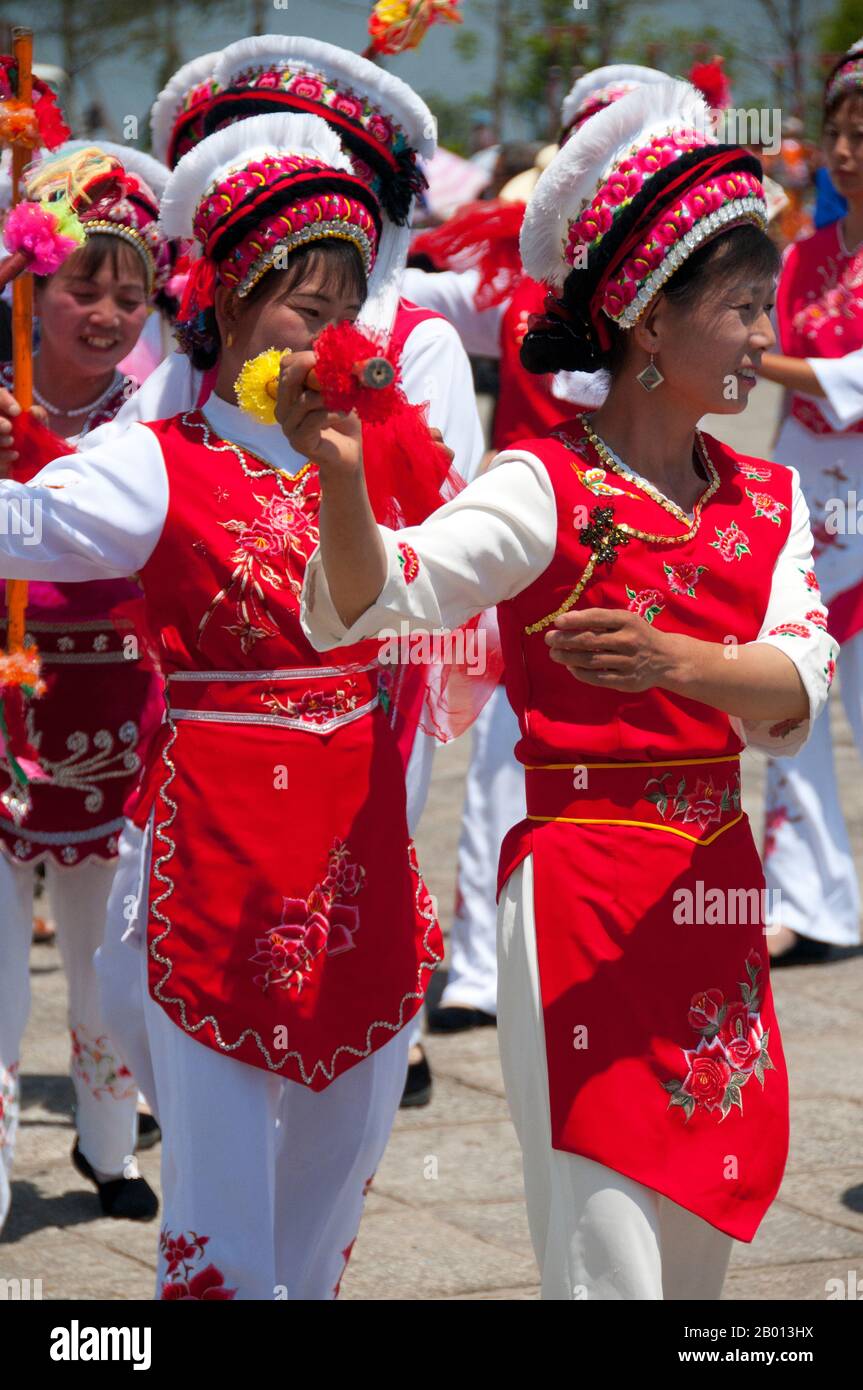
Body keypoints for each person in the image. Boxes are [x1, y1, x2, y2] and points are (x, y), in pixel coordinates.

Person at [299, 78, 837, 1300]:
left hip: (709, 873)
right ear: (651, 323)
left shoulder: (767, 502)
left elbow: (793, 688)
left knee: (703, 1205)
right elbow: (388, 592)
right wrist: (340, 479)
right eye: (741, 310)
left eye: (763, 307)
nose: (762, 336)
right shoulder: (545, 485)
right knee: (604, 1238)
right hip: (581, 882)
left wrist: (673, 665)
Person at [0, 110, 456, 1299]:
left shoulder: (385, 459)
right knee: (214, 1182)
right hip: (215, 866)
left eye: (344, 307)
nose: (327, 333)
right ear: (232, 307)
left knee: (336, 1167)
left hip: (359, 863)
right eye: (300, 303)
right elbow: (24, 524)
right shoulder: (161, 458)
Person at [401, 65, 671, 1036]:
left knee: (649, 752)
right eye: (583, 156)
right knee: (498, 767)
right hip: (533, 561)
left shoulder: (674, 294)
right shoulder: (513, 284)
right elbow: (406, 293)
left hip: (655, 555)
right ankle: (479, 961)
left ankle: (627, 945)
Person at [0, 144, 176, 1228]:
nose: (106, 314)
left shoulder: (155, 413)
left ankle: (109, 1145)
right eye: (82, 289)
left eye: (131, 293)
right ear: (31, 284)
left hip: (115, 712)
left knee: (111, 962)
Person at [756, 37, 863, 964]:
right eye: (836, 132)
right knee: (789, 693)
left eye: (861, 135)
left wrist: (750, 356)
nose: (843, 151)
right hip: (805, 501)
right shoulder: (800, 258)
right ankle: (811, 900)